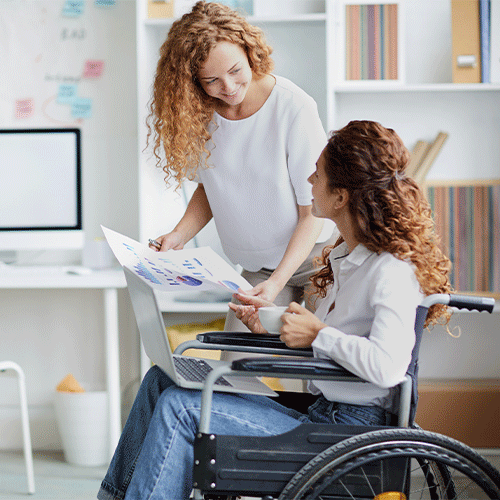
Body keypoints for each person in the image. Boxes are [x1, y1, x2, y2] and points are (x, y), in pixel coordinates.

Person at [97, 120, 452, 500]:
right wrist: (268, 328)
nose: (309, 180)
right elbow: (338, 351)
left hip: (346, 433)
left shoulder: (390, 270)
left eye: (318, 173)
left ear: (341, 196)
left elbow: (387, 366)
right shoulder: (350, 258)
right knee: (161, 382)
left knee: (181, 409)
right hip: (321, 413)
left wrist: (318, 334)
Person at [145, 1, 336, 332]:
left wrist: (277, 284)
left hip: (315, 261)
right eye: (212, 80)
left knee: (320, 365)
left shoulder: (293, 107)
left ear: (250, 53)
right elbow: (211, 187)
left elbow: (312, 214)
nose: (228, 88)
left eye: (235, 71)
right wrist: (179, 235)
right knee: (234, 370)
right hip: (257, 268)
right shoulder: (200, 114)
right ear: (193, 81)